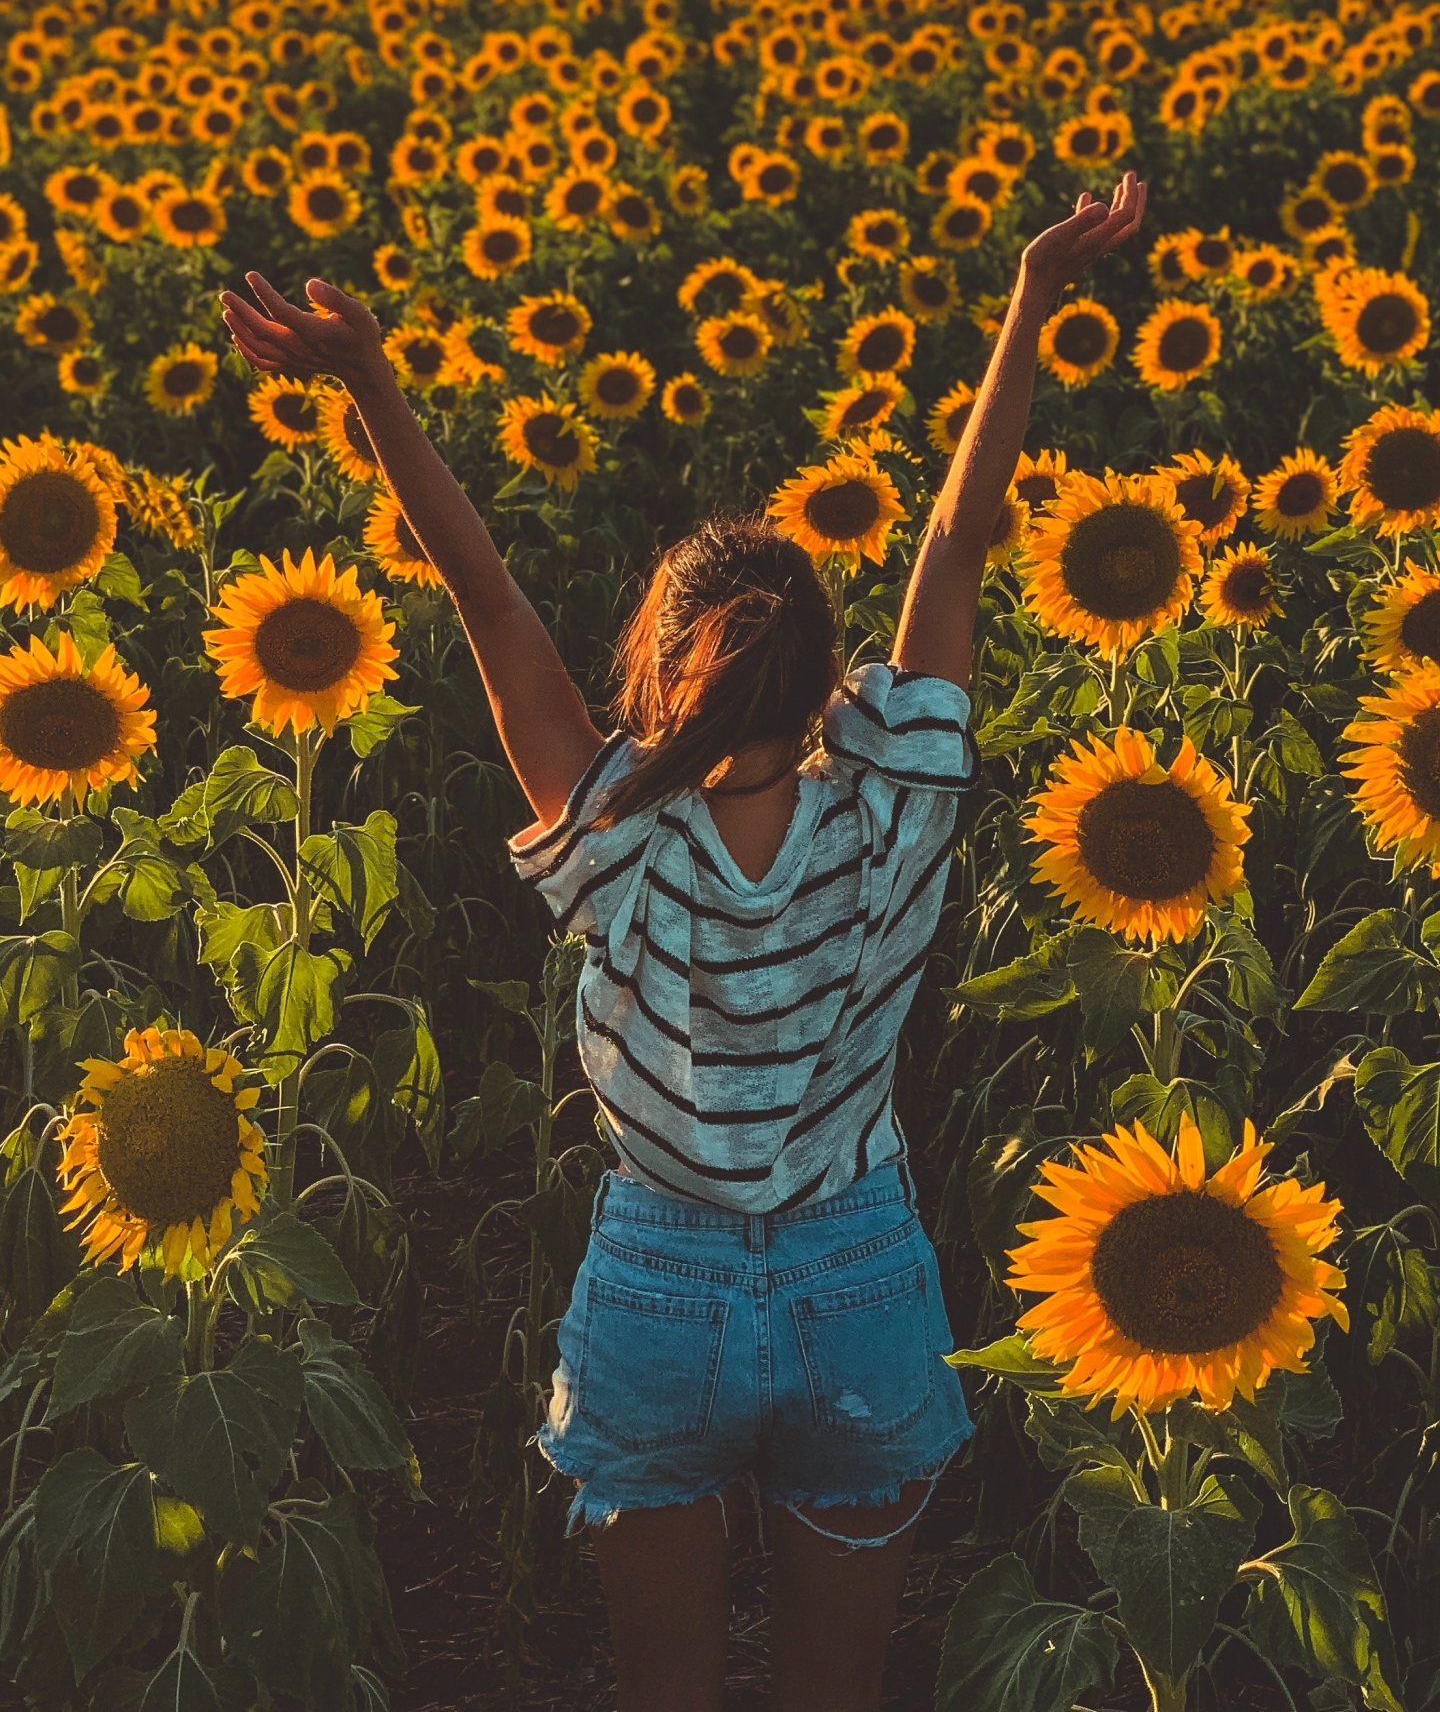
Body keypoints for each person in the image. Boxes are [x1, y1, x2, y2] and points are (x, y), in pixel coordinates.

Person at [219, 170, 1145, 1712]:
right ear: (826, 681)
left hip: (660, 1283)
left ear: (659, 672)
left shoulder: (619, 832)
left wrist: (370, 378)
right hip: (860, 1275)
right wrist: (1033, 293)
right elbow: (962, 542)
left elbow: (485, 598)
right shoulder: (893, 810)